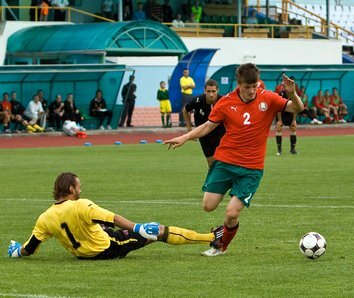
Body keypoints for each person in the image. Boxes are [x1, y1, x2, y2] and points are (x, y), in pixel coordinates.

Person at [164, 63, 304, 257]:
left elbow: (298, 107)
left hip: (251, 169)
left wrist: (292, 93)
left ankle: (220, 246)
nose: (252, 91)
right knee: (208, 205)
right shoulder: (226, 102)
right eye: (247, 87)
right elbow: (207, 126)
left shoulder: (268, 98)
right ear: (238, 84)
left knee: (231, 213)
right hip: (225, 162)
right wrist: (185, 137)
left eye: (254, 86)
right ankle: (222, 231)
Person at [7, 172, 222, 260]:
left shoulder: (45, 217)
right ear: (71, 189)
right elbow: (113, 218)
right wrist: (138, 227)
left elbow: (31, 248)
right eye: (79, 186)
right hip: (107, 248)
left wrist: (17, 251)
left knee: (99, 228)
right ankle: (212, 238)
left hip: (82, 252)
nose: (82, 189)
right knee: (157, 230)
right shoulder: (82, 205)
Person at [182, 79, 225, 168]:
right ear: (204, 91)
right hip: (204, 135)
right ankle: (212, 180)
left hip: (220, 134)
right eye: (208, 91)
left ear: (218, 90)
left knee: (222, 162)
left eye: (213, 91)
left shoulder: (223, 101)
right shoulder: (197, 100)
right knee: (211, 164)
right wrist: (189, 129)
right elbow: (185, 110)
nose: (211, 94)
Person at [274, 75, 299, 155]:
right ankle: (279, 150)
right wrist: (280, 120)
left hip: (290, 113)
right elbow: (278, 107)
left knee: (293, 127)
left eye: (293, 83)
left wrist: (294, 120)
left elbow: (296, 108)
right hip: (281, 113)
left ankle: (292, 150)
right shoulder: (281, 93)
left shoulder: (295, 94)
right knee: (279, 128)